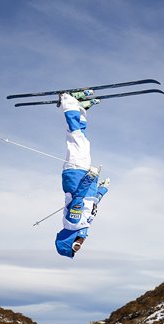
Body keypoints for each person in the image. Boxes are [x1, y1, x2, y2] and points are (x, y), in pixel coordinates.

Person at [55, 92, 109, 258]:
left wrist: (90, 178)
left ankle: (68, 101)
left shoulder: (73, 223)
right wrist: (102, 190)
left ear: (70, 241)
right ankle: (80, 110)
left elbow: (79, 198)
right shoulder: (83, 226)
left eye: (76, 247)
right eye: (78, 249)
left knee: (76, 138)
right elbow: (92, 202)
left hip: (76, 175)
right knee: (83, 140)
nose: (80, 246)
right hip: (83, 176)